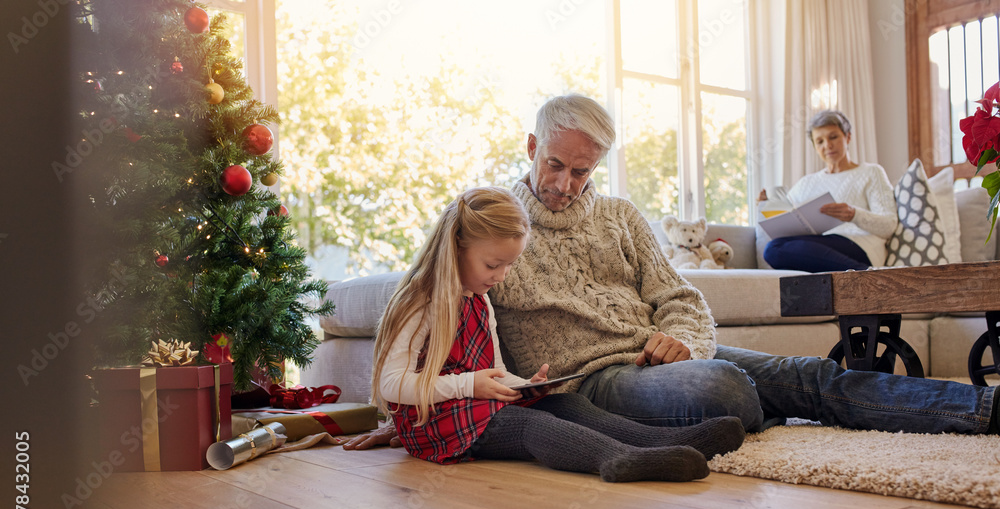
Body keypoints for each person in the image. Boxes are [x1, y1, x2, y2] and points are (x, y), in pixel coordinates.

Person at [346, 94, 998, 451]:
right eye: (554, 165)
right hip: (595, 382)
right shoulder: (498, 230)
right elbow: (429, 300)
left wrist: (683, 340)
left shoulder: (623, 217)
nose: (565, 185)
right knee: (727, 389)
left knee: (809, 372)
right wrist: (411, 408)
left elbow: (680, 297)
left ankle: (984, 408)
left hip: (664, 361)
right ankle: (747, 410)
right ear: (530, 147)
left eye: (582, 172)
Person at [346, 185, 746, 483]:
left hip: (476, 405)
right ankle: (617, 460)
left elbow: (495, 371)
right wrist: (470, 385)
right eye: (493, 265)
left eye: (508, 266)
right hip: (437, 425)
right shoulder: (421, 301)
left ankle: (670, 439)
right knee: (530, 428)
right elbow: (392, 383)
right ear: (456, 248)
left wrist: (525, 387)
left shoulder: (478, 298)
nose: (501, 277)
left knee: (566, 407)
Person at [757, 110, 897, 273]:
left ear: (848, 137)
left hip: (859, 246)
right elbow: (785, 216)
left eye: (833, 137)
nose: (827, 146)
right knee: (775, 248)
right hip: (818, 246)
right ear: (815, 147)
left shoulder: (871, 172)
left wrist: (854, 215)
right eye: (820, 141)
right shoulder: (806, 183)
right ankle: (863, 273)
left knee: (774, 249)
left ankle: (867, 273)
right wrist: (766, 203)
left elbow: (889, 225)